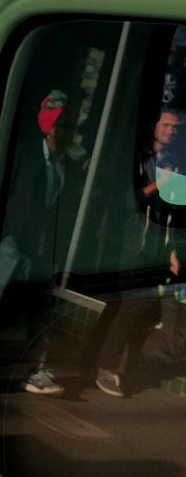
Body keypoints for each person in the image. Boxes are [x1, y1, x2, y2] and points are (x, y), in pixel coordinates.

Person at [0, 90, 86, 395]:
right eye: (62, 127)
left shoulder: (68, 163)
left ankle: (37, 369)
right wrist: (5, 229)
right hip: (14, 238)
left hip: (41, 244)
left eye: (71, 128)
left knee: (39, 305)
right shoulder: (26, 154)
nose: (68, 133)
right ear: (49, 128)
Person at [94, 108, 184, 396]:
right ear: (155, 127)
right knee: (132, 306)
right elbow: (126, 199)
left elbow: (174, 216)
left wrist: (172, 252)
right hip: (133, 246)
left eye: (176, 128)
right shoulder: (143, 162)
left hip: (155, 250)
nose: (171, 132)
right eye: (167, 126)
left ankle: (101, 362)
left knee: (132, 307)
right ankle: (105, 367)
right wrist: (160, 185)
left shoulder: (174, 165)